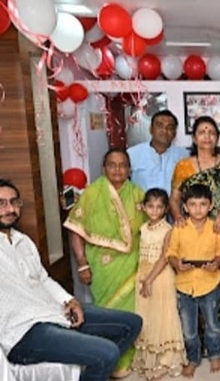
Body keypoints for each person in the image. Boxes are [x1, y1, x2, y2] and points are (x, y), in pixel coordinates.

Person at [0, 178, 143, 381]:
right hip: (23, 333)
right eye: (1, 203)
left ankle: (91, 374)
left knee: (132, 323)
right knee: (107, 353)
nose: (9, 209)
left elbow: (43, 279)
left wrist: (70, 300)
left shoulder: (23, 241)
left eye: (14, 202)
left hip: (54, 311)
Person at [63, 147, 147, 377]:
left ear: (129, 169)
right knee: (107, 313)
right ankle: (106, 357)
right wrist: (82, 263)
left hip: (132, 263)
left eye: (123, 165)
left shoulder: (138, 194)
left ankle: (126, 358)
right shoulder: (92, 193)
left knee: (132, 310)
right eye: (112, 164)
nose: (117, 169)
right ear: (103, 168)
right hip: (102, 264)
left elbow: (149, 227)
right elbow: (76, 229)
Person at [169, 115, 220, 357]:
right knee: (194, 280)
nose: (207, 136)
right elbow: (175, 198)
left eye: (211, 132)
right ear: (194, 137)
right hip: (194, 233)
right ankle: (196, 342)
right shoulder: (183, 166)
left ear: (217, 137)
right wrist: (179, 218)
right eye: (202, 131)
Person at [166, 184, 220, 378]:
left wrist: (216, 263)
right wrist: (177, 264)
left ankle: (214, 353)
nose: (198, 209)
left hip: (210, 283)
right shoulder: (179, 228)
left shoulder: (216, 227)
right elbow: (171, 253)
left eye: (202, 204)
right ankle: (193, 358)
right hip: (185, 285)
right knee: (188, 329)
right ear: (185, 207)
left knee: (212, 324)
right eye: (193, 204)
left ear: (210, 206)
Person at [132, 188, 186, 380]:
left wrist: (149, 280)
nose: (154, 211)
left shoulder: (168, 230)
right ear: (144, 207)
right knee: (146, 315)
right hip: (143, 273)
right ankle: (149, 359)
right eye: (150, 206)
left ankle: (165, 361)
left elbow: (164, 257)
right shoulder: (143, 228)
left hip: (160, 277)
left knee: (163, 315)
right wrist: (143, 278)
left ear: (165, 209)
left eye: (159, 207)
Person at [127, 109, 188, 195]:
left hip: (173, 203)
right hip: (141, 203)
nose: (164, 131)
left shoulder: (184, 155)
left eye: (170, 127)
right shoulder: (132, 154)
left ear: (174, 133)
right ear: (151, 129)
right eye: (160, 126)